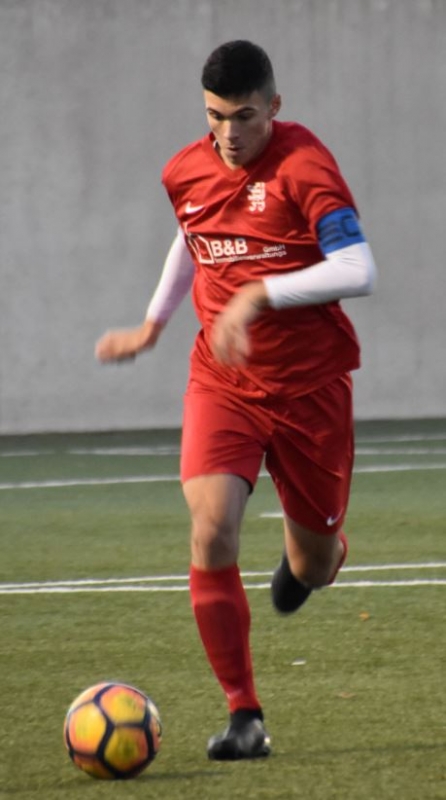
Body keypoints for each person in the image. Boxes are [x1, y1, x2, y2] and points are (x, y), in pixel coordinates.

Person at [95, 40, 376, 761]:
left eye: (244, 116)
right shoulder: (185, 170)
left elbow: (357, 267)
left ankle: (312, 560)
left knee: (313, 565)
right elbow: (191, 236)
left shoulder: (305, 166)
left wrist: (256, 295)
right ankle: (243, 715)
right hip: (223, 382)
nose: (228, 134)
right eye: (215, 116)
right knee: (211, 531)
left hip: (310, 390)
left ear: (274, 107)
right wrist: (154, 324)